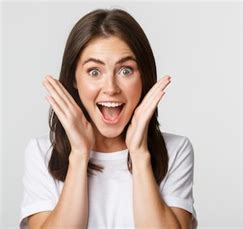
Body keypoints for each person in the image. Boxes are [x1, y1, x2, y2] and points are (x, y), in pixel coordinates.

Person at [19, 8, 198, 228]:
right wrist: (79, 154)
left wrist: (139, 154)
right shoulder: (41, 152)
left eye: (125, 70)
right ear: (74, 79)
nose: (111, 88)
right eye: (94, 72)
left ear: (144, 76)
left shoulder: (176, 150)